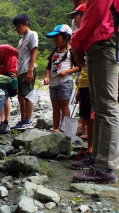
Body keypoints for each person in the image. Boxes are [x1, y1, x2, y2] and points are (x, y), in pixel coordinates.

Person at [71, 0, 119, 183]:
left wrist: (76, 41)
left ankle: (105, 166)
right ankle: (98, 158)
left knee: (106, 106)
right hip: (98, 45)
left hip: (105, 43)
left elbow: (95, 13)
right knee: (99, 106)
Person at [67, 4, 94, 168]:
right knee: (86, 116)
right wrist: (78, 88)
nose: (74, 20)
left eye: (75, 16)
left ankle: (93, 150)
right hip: (84, 82)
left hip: (91, 83)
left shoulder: (90, 36)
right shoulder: (82, 38)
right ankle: (90, 149)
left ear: (83, 15)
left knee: (92, 117)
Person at [43, 25, 80, 132]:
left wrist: (66, 72)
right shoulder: (54, 52)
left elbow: (78, 67)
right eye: (54, 39)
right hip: (53, 83)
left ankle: (66, 129)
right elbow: (48, 68)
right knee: (55, 107)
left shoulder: (71, 52)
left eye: (57, 39)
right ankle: (56, 128)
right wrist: (47, 77)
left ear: (66, 37)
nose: (55, 41)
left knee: (64, 106)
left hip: (65, 82)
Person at [11, 13, 38, 130]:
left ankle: (28, 120)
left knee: (28, 95)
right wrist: (17, 72)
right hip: (21, 71)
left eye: (18, 26)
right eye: (15, 27)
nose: (16, 29)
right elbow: (20, 57)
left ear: (26, 24)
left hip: (28, 70)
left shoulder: (32, 35)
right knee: (20, 96)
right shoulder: (21, 40)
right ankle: (23, 120)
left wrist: (30, 70)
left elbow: (34, 52)